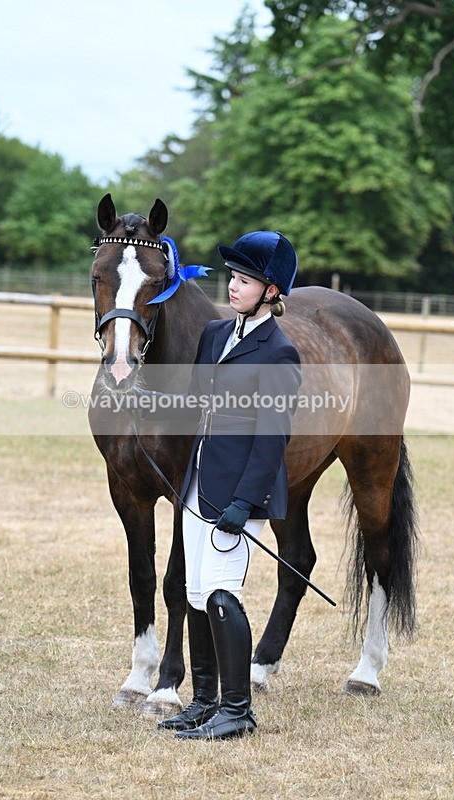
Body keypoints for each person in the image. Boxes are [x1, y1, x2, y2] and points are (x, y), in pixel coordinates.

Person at [152, 230, 301, 740]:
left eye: (244, 280)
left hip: (236, 494)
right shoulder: (215, 336)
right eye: (233, 278)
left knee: (220, 593)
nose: (233, 287)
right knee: (195, 593)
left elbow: (272, 437)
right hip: (197, 484)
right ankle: (204, 701)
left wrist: (245, 501)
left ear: (272, 291)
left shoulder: (279, 353)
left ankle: (237, 711)